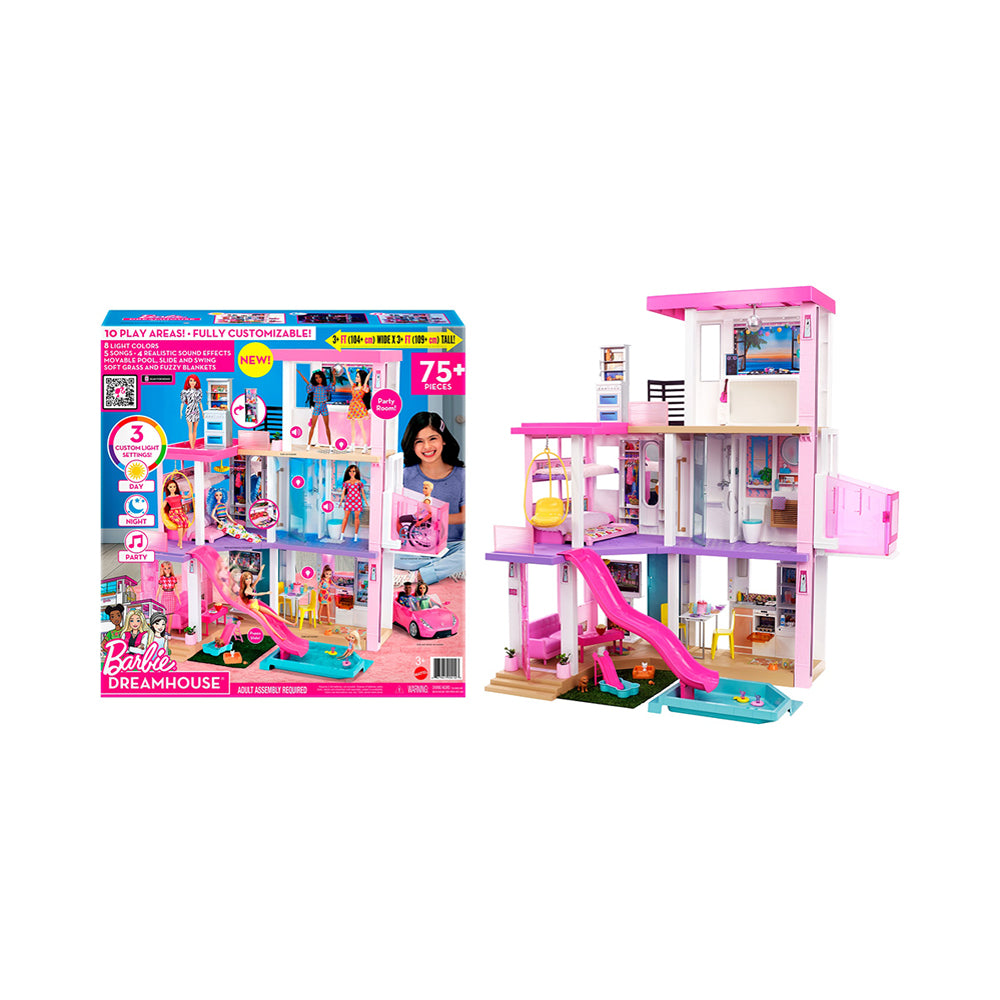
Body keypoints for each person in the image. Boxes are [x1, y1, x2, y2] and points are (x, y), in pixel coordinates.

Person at [395, 412, 465, 586]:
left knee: (472, 550)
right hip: (415, 547)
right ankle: (443, 568)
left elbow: (465, 516)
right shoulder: (404, 475)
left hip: (450, 545)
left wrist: (434, 519)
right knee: (389, 553)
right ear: (412, 445)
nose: (427, 446)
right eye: (419, 441)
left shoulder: (462, 475)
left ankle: (419, 575)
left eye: (432, 438)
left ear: (444, 440)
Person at [296, 369, 334, 449]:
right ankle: (308, 444)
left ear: (322, 377)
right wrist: (300, 373)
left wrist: (333, 374)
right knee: (313, 426)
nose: (318, 379)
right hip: (317, 406)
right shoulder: (314, 387)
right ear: (314, 379)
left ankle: (330, 445)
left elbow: (333, 383)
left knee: (327, 426)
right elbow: (307, 382)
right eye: (316, 378)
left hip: (324, 406)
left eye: (320, 377)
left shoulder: (325, 387)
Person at [336, 368, 371, 452]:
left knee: (361, 426)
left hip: (359, 407)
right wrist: (346, 368)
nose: (356, 378)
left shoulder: (363, 387)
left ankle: (365, 446)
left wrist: (370, 371)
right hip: (352, 406)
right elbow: (349, 379)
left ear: (361, 378)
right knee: (352, 427)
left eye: (358, 376)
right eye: (356, 376)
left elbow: (366, 379)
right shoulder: (354, 386)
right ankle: (352, 445)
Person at [337, 464, 368, 544]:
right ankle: (342, 534)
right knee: (345, 518)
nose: (351, 473)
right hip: (348, 501)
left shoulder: (359, 483)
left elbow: (362, 493)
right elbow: (343, 493)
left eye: (353, 471)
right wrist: (341, 501)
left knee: (356, 518)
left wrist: (366, 501)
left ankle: (356, 535)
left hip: (357, 502)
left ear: (356, 472)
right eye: (350, 471)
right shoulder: (346, 483)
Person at [163, 479, 189, 549]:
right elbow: (162, 506)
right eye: (170, 487)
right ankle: (180, 542)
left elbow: (189, 496)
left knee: (186, 523)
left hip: (180, 512)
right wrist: (163, 515)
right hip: (173, 513)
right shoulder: (168, 498)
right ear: (168, 488)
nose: (172, 488)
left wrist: (191, 488)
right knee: (180, 523)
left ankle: (180, 540)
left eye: (174, 486)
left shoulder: (178, 496)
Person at [180, 375, 203, 449]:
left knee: (195, 430)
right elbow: (182, 402)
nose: (192, 382)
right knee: (190, 430)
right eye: (191, 380)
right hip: (189, 410)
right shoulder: (185, 392)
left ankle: (193, 446)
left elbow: (200, 402)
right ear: (188, 382)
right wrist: (181, 412)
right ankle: (192, 447)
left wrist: (202, 412)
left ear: (196, 382)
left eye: (194, 381)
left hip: (196, 410)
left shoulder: (198, 391)